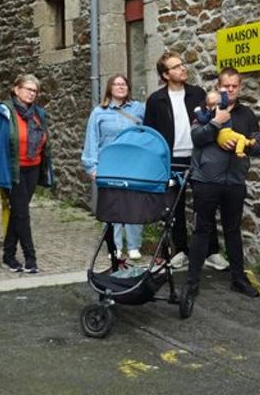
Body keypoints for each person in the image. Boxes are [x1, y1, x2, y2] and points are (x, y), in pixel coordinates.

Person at [182, 66, 260, 302]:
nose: (230, 89)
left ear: (240, 87)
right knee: (202, 230)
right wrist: (216, 122)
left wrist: (245, 144)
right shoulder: (206, 109)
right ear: (218, 86)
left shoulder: (247, 114)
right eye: (226, 86)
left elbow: (259, 147)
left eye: (234, 86)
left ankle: (238, 279)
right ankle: (192, 282)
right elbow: (196, 138)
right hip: (206, 181)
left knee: (233, 231)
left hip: (235, 181)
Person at [143, 51, 221, 270]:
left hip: (198, 156)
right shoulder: (156, 100)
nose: (182, 68)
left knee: (204, 204)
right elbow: (150, 134)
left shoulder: (197, 93)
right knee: (174, 207)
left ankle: (211, 251)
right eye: (176, 67)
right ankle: (180, 251)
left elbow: (210, 122)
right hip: (171, 160)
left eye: (182, 64)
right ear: (165, 75)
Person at [0, 73, 51, 274]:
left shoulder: (38, 113)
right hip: (12, 169)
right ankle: (30, 258)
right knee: (22, 213)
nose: (32, 93)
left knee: (18, 212)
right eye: (28, 89)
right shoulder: (2, 112)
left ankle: (8, 255)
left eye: (35, 91)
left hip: (33, 167)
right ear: (16, 89)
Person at [82, 73, 147, 261]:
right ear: (110, 88)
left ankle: (134, 245)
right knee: (113, 206)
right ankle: (115, 246)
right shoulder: (99, 112)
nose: (120, 87)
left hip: (134, 164)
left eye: (124, 84)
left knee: (135, 204)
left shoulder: (138, 109)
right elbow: (92, 139)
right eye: (116, 84)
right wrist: (91, 167)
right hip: (109, 165)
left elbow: (148, 134)